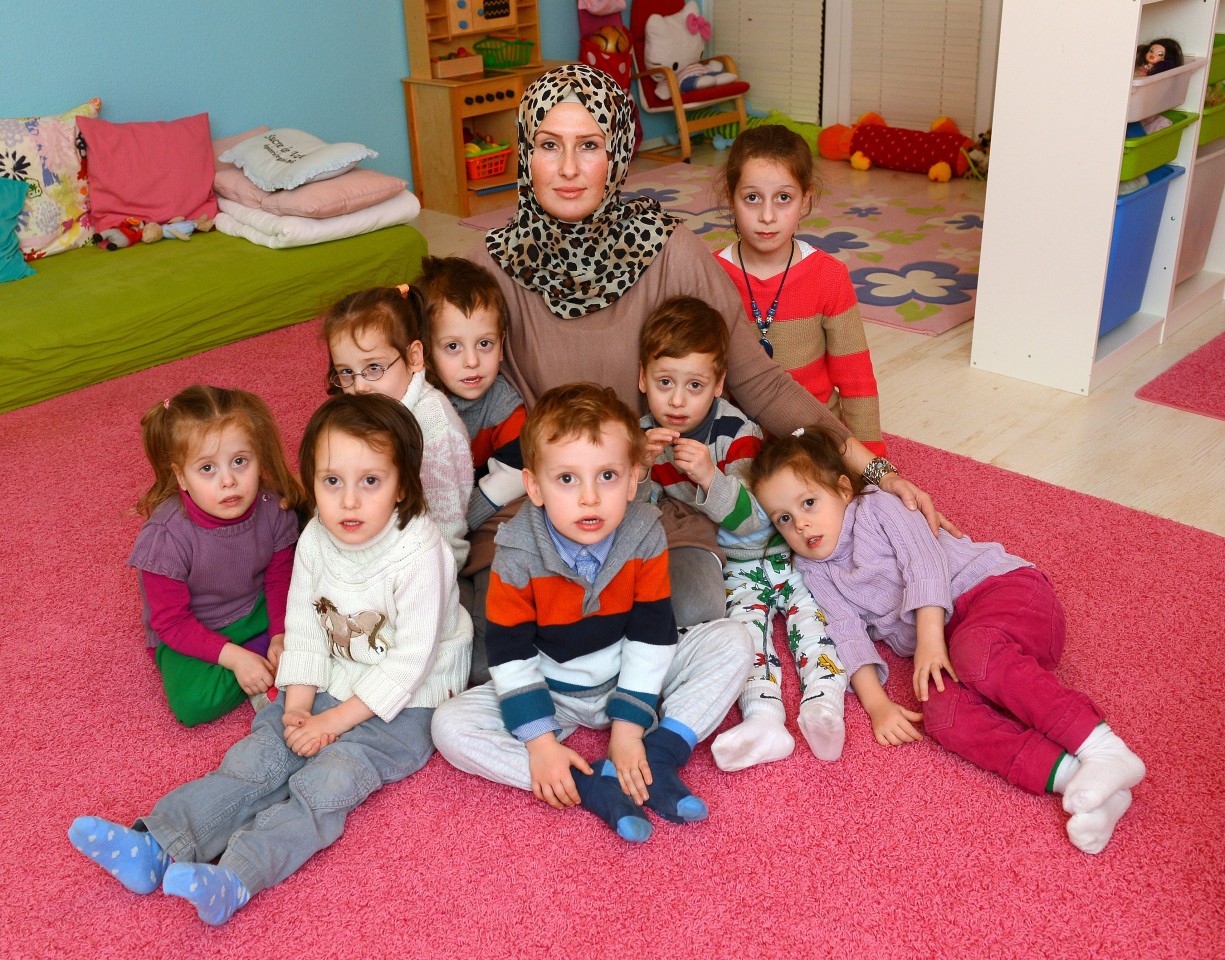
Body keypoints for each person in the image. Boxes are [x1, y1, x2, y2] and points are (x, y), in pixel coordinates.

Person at [465, 63, 942, 630]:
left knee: (693, 611)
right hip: (546, 498)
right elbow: (444, 393)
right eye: (549, 145)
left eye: (589, 145)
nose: (568, 169)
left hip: (661, 496)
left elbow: (759, 382)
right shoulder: (489, 267)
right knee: (486, 644)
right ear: (526, 153)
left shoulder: (671, 252)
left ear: (616, 153)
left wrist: (880, 473)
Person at [69, 393, 472, 924]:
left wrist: (330, 722)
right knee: (259, 757)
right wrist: (297, 707)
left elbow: (408, 664)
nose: (348, 502)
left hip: (406, 706)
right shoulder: (316, 538)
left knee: (327, 783)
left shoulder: (423, 552)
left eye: (370, 482)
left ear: (403, 487)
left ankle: (237, 877)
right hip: (333, 672)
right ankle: (159, 844)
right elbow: (303, 626)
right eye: (332, 482)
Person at [748, 424, 1146, 855]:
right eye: (784, 519)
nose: (802, 523)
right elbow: (846, 633)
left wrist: (931, 641)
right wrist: (877, 704)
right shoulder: (814, 569)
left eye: (809, 503)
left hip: (1004, 593)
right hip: (959, 646)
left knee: (975, 652)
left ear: (844, 490)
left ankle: (1102, 746)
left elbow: (925, 565)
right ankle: (1084, 781)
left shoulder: (880, 506)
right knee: (944, 715)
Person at [430, 383, 749, 843]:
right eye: (566, 479)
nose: (589, 498)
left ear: (634, 475)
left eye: (607, 476)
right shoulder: (517, 551)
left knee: (732, 639)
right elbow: (510, 652)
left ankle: (660, 753)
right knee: (450, 726)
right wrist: (540, 743)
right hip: (551, 684)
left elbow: (651, 633)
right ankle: (583, 780)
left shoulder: (644, 532)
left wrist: (628, 729)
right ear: (535, 487)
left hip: (630, 671)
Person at [636, 297, 848, 772]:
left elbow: (760, 520)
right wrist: (639, 471)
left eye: (694, 386)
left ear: (717, 386)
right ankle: (764, 719)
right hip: (734, 571)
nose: (676, 400)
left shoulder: (737, 433)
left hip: (786, 555)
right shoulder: (643, 435)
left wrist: (712, 478)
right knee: (747, 641)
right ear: (643, 379)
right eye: (665, 383)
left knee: (814, 629)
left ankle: (824, 704)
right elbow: (640, 512)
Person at [129, 385, 304, 727]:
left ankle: (267, 654)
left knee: (322, 620)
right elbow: (171, 623)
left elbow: (279, 578)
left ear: (257, 458)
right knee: (192, 705)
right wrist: (238, 659)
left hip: (255, 608)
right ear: (181, 476)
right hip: (194, 626)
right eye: (207, 468)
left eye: (240, 461)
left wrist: (283, 633)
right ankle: (261, 659)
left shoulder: (272, 508)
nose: (228, 480)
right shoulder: (164, 539)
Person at [714, 123, 885, 455]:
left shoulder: (829, 275)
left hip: (813, 435)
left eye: (783, 198)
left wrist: (871, 458)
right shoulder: (710, 273)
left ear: (805, 201)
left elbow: (856, 377)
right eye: (752, 198)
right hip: (736, 439)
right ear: (730, 199)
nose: (767, 216)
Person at [416, 255, 528, 684]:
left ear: (502, 342)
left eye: (485, 345)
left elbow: (513, 477)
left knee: (507, 558)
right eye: (453, 347)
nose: (472, 363)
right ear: (423, 351)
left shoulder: (504, 404)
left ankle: (493, 643)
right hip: (428, 528)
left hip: (478, 523)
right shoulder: (418, 404)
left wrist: (459, 522)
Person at [322, 285, 473, 568]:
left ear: (414, 357)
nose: (360, 386)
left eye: (374, 367)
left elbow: (447, 531)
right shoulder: (365, 406)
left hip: (427, 558)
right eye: (346, 372)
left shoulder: (434, 429)